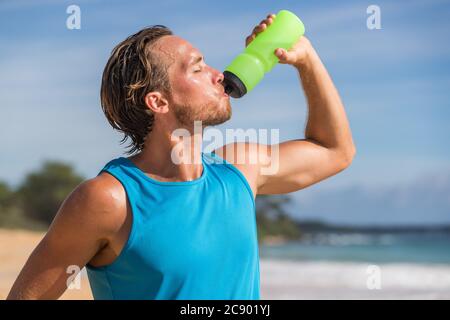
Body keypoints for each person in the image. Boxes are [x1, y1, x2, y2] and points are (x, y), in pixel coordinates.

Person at [7, 13, 355, 300]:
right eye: (198, 69)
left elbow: (334, 151)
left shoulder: (238, 171)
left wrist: (306, 61)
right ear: (158, 101)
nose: (219, 75)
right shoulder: (109, 200)